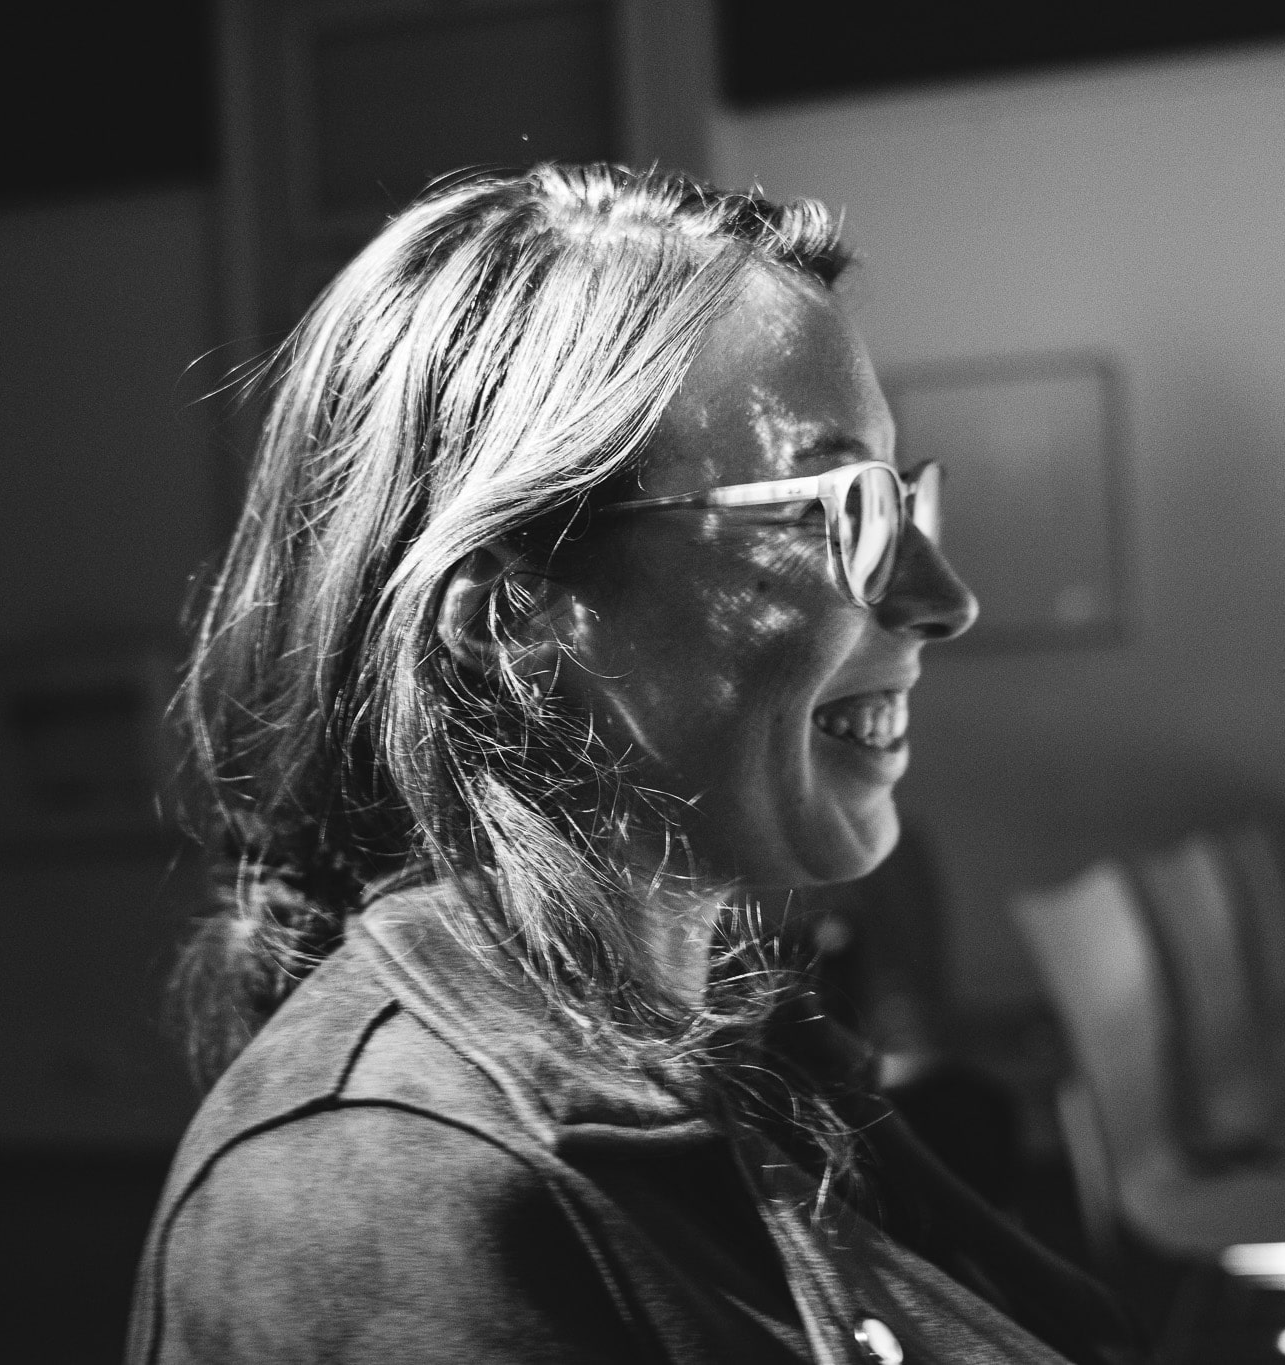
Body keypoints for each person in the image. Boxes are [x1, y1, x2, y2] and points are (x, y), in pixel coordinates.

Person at [127, 163, 1136, 1365]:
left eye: (901, 503)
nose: (941, 599)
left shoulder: (727, 1050)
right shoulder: (376, 1194)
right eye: (835, 509)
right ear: (516, 618)